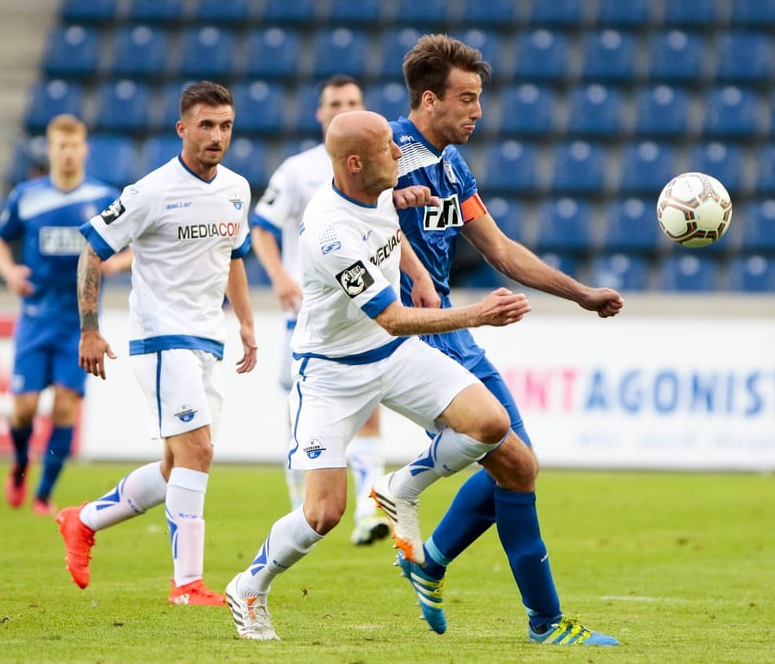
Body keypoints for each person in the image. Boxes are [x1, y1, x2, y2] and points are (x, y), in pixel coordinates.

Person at [224, 110, 531, 641]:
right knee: (324, 513)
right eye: (389, 147)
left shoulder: (375, 188)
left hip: (392, 356)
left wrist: (417, 271)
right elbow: (391, 316)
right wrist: (477, 313)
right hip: (332, 374)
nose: (399, 153)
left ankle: (399, 487)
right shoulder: (330, 233)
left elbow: (390, 226)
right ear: (353, 162)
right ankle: (249, 585)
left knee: (488, 422)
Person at [383, 34, 624, 646]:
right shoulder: (385, 148)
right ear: (429, 97)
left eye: (479, 98)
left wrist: (580, 293)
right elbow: (335, 196)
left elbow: (500, 249)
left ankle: (432, 561)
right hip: (411, 334)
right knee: (516, 466)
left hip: (455, 331)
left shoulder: (451, 164)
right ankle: (544, 621)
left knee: (518, 466)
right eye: (466, 98)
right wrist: (388, 197)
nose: (478, 111)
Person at [56, 81, 258, 606]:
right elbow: (91, 251)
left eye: (226, 126)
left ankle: (83, 519)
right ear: (183, 129)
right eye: (207, 125)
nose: (217, 135)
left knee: (177, 469)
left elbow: (233, 255)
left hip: (205, 341)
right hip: (161, 338)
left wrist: (246, 324)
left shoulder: (237, 188)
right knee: (200, 452)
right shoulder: (151, 191)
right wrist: (90, 328)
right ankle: (187, 585)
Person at [250, 75, 392, 545]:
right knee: (301, 414)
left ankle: (372, 510)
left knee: (370, 407)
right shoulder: (297, 170)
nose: (342, 108)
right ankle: (302, 510)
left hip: (366, 309)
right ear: (320, 112)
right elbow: (262, 227)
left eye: (351, 102)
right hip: (309, 313)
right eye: (334, 102)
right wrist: (280, 278)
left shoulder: (377, 164)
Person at [0, 113, 132, 516]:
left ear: (85, 149)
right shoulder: (27, 195)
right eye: (60, 146)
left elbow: (141, 242)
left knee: (66, 407)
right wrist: (9, 271)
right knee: (25, 409)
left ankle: (43, 494)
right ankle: (19, 466)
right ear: (50, 150)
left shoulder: (106, 197)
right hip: (35, 318)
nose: (68, 153)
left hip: (79, 323)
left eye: (74, 145)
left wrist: (118, 263)